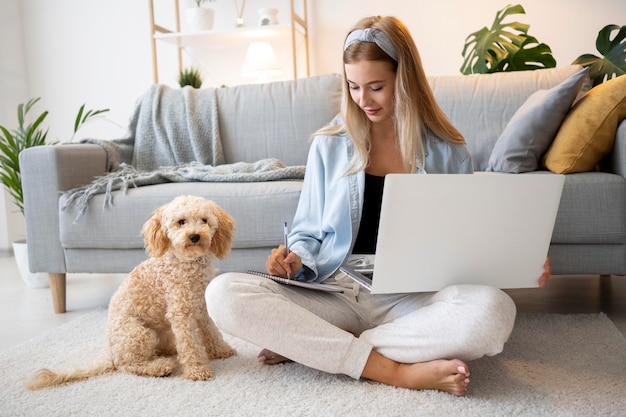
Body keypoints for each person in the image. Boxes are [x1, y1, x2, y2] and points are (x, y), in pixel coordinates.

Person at [206, 15, 551, 397]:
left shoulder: (449, 151)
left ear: (404, 80)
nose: (363, 100)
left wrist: (518, 259)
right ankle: (394, 370)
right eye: (353, 86)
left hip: (411, 298)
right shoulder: (329, 145)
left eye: (376, 87)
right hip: (336, 290)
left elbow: (467, 238)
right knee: (222, 293)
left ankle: (319, 346)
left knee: (493, 312)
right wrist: (295, 259)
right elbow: (306, 230)